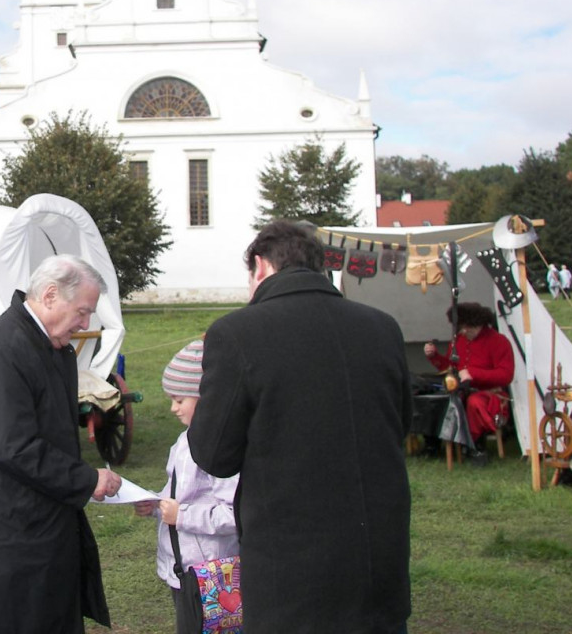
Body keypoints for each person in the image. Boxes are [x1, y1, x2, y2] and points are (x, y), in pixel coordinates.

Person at [188, 221, 412, 634]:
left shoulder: (236, 333)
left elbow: (214, 454)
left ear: (260, 267)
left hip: (293, 573)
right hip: (378, 557)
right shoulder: (383, 328)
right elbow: (400, 425)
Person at [0, 254, 121, 634]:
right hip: (0, 537)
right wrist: (85, 480)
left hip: (34, 528)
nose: (86, 323)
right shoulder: (3, 351)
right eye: (82, 311)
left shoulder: (48, 346)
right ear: (50, 295)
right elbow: (14, 445)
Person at [134, 339, 240, 629]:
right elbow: (177, 494)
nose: (172, 408)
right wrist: (155, 504)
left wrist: (182, 516)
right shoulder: (183, 442)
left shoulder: (221, 451)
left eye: (180, 400)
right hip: (182, 571)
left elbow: (234, 513)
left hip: (213, 575)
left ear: (206, 399)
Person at [424, 302, 515, 465]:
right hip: (462, 390)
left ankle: (475, 446)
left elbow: (506, 375)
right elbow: (450, 368)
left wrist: (474, 374)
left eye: (468, 328)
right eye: (462, 327)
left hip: (489, 393)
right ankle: (434, 444)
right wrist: (434, 356)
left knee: (475, 402)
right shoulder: (459, 340)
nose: (464, 332)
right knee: (438, 399)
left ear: (479, 324)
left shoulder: (499, 341)